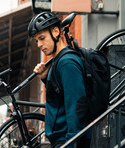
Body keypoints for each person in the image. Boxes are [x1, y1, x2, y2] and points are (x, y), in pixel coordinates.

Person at [28, 12, 91, 148]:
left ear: (56, 31)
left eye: (42, 38)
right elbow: (60, 97)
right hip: (60, 140)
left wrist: (70, 144)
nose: (39, 44)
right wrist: (46, 78)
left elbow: (76, 107)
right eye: (36, 40)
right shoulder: (59, 61)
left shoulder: (67, 63)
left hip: (67, 141)